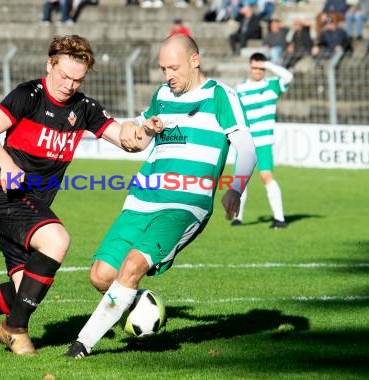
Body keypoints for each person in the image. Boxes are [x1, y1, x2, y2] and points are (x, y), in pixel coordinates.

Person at [0, 34, 156, 356]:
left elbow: (128, 140)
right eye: (64, 76)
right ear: (49, 64)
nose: (69, 85)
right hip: (4, 196)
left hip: (32, 207)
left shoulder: (84, 107)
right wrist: (6, 164)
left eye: (77, 79)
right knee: (57, 240)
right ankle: (13, 328)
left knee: (24, 291)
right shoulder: (29, 95)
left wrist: (147, 128)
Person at [63, 34, 257, 358]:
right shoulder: (162, 96)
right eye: (163, 68)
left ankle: (82, 344)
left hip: (184, 206)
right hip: (142, 200)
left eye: (174, 67)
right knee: (101, 275)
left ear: (195, 60)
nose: (168, 75)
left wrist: (235, 188)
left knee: (132, 267)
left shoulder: (221, 96)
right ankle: (143, 304)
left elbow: (247, 148)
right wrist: (141, 128)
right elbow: (135, 138)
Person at [231, 52, 293, 229]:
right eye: (254, 67)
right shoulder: (241, 88)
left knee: (266, 176)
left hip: (264, 142)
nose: (257, 70)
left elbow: (289, 76)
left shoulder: (272, 85)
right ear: (249, 67)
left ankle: (280, 218)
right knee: (240, 180)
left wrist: (268, 64)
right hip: (246, 143)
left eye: (260, 67)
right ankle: (238, 218)